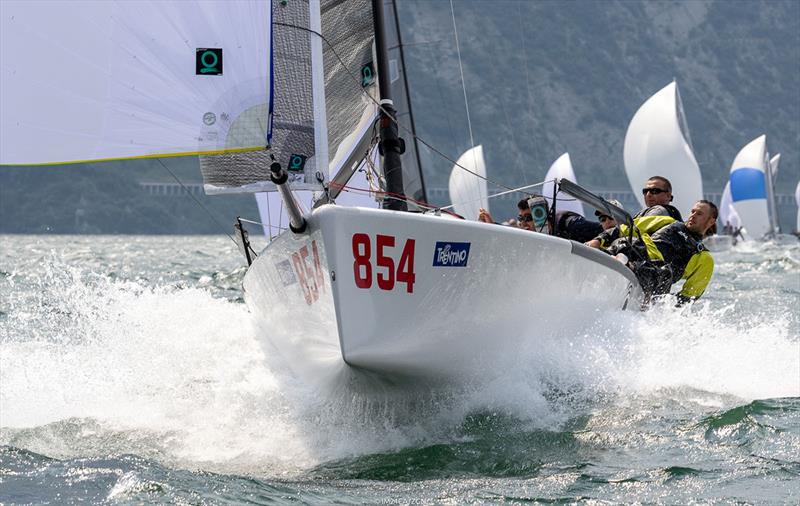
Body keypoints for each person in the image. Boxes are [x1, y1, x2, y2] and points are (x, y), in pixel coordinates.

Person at [590, 200, 717, 304]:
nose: (693, 215)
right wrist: (598, 240)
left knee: (664, 272)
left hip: (654, 281)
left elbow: (689, 296)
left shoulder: (704, 257)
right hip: (634, 251)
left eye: (699, 214)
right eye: (692, 211)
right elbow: (626, 228)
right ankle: (612, 259)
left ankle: (627, 264)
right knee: (631, 242)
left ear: (711, 221)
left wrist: (664, 306)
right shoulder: (667, 222)